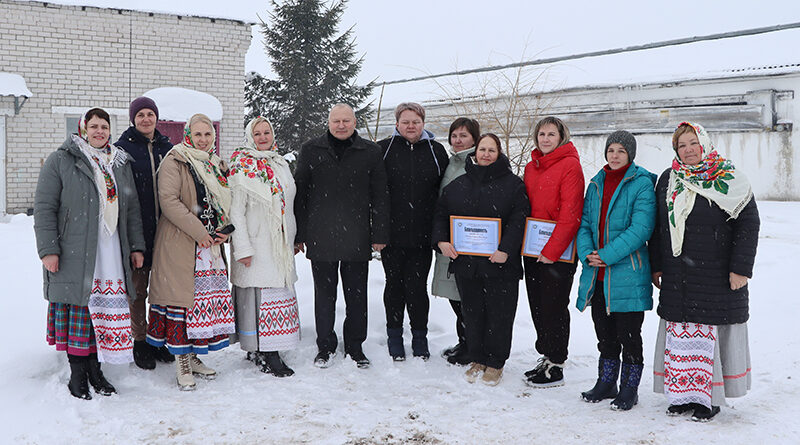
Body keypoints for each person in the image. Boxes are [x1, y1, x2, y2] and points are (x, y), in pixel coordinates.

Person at [649, 122, 759, 422]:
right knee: (683, 336)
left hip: (716, 274)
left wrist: (740, 269)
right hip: (677, 275)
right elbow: (659, 227)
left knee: (708, 336)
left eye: (692, 143)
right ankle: (682, 395)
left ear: (705, 143)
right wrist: (657, 264)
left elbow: (748, 224)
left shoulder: (728, 178)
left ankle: (708, 398)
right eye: (681, 145)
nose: (687, 150)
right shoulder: (668, 179)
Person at [34, 107, 145, 399]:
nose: (99, 131)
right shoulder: (62, 160)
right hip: (75, 251)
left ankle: (96, 370)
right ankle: (78, 374)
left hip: (110, 251)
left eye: (104, 127)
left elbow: (131, 209)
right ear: (84, 129)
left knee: (102, 314)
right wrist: (48, 250)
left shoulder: (118, 163)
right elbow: (45, 209)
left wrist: (136, 246)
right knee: (81, 311)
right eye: (93, 126)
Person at [294, 103, 390, 369]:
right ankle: (325, 347)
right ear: (328, 122)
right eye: (336, 120)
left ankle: (356, 346)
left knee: (356, 296)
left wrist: (380, 233)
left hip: (357, 236)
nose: (341, 125)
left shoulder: (370, 152)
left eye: (346, 120)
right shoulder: (311, 150)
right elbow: (300, 194)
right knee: (324, 296)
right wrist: (299, 235)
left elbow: (380, 196)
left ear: (354, 122)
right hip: (321, 235)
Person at [146, 113, 235, 391]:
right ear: (188, 135)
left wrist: (225, 231)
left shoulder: (216, 164)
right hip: (181, 245)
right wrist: (200, 232)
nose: (203, 139)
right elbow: (169, 202)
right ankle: (181, 361)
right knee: (181, 303)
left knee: (199, 305)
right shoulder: (175, 160)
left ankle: (194, 356)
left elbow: (226, 204)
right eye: (198, 134)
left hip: (211, 249)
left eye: (208, 134)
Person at [433, 134, 530, 385]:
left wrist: (506, 249)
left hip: (499, 263)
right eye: (482, 149)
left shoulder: (513, 185)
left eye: (491, 150)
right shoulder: (459, 184)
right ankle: (477, 357)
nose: (486, 154)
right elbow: (441, 214)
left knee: (499, 314)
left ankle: (495, 362)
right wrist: (442, 241)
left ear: (499, 153)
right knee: (472, 313)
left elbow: (519, 220)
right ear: (475, 152)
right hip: (468, 264)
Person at [575, 130, 656, 410]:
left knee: (629, 336)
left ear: (630, 154)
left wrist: (607, 255)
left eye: (621, 150)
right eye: (611, 150)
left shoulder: (642, 183)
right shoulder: (596, 183)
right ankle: (607, 382)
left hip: (627, 274)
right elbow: (584, 222)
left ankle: (629, 389)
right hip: (597, 275)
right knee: (605, 334)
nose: (615, 155)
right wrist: (587, 254)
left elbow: (641, 228)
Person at [228, 116, 300, 377]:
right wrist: (243, 248)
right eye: (256, 133)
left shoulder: (279, 163)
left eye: (266, 132)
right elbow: (235, 212)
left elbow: (287, 205)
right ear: (249, 137)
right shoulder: (241, 166)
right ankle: (265, 351)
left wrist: (291, 238)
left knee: (276, 296)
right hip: (257, 246)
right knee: (260, 298)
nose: (262, 137)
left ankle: (269, 347)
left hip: (279, 245)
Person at [378, 102, 449, 361]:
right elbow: (375, 193)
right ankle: (394, 336)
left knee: (417, 288)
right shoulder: (383, 149)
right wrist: (378, 232)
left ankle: (420, 337)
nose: (411, 126)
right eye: (405, 121)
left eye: (416, 122)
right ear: (397, 124)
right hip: (392, 236)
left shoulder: (436, 151)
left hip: (422, 235)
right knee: (394, 286)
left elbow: (445, 193)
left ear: (423, 123)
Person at [522, 116, 585, 387]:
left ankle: (557, 362)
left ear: (561, 137)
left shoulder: (570, 166)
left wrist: (552, 250)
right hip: (532, 249)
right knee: (537, 304)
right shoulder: (531, 167)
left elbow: (571, 214)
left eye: (551, 134)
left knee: (554, 306)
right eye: (542, 134)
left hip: (558, 252)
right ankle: (546, 355)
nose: (546, 139)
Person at [114, 96, 175, 370]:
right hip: (136, 230)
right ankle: (139, 340)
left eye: (150, 114)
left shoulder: (168, 148)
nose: (146, 119)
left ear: (157, 117)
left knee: (161, 291)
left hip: (165, 231)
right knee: (138, 290)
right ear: (133, 119)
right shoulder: (121, 150)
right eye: (140, 115)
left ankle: (156, 339)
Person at [431, 117, 480, 365]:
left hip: (464, 241)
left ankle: (472, 345)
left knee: (465, 296)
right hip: (447, 239)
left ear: (474, 139)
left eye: (464, 136)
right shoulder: (453, 162)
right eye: (454, 136)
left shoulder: (474, 162)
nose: (458, 140)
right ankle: (465, 341)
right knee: (456, 295)